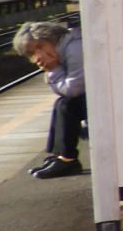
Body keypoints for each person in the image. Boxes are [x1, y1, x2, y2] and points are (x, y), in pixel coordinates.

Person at [14, 20, 86, 179]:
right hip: (98, 94)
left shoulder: (74, 49)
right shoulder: (65, 49)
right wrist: (52, 70)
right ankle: (61, 155)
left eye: (40, 47)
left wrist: (53, 70)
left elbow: (73, 90)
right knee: (62, 103)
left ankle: (67, 158)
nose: (38, 55)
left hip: (107, 96)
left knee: (67, 105)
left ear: (52, 39)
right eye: (33, 53)